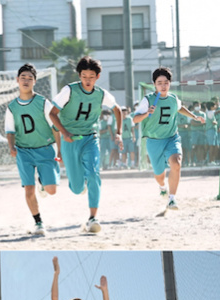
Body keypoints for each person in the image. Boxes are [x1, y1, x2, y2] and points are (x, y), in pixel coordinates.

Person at [49, 56, 123, 234]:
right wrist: (64, 133)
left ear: (97, 76)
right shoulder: (69, 91)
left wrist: (118, 133)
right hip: (70, 140)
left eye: (91, 76)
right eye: (84, 76)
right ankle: (80, 186)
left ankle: (93, 218)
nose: (87, 80)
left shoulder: (101, 94)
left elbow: (117, 109)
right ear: (79, 76)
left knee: (93, 174)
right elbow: (52, 113)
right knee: (76, 188)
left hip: (91, 137)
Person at [133, 67, 205, 210]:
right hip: (154, 141)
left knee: (176, 163)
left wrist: (194, 117)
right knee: (159, 175)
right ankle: (162, 187)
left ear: (170, 83)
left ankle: (172, 199)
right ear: (154, 84)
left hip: (172, 138)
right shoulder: (148, 100)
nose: (163, 85)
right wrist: (147, 113)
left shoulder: (173, 98)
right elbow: (135, 119)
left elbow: (180, 108)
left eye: (166, 82)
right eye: (160, 83)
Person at [5, 63, 61, 236]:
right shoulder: (12, 107)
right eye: (23, 78)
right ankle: (38, 222)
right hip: (24, 151)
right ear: (17, 80)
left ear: (35, 81)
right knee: (28, 190)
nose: (26, 81)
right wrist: (11, 147)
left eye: (30, 78)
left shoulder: (43, 102)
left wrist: (59, 150)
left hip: (45, 150)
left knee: (52, 190)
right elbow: (10, 130)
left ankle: (43, 183)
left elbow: (55, 127)